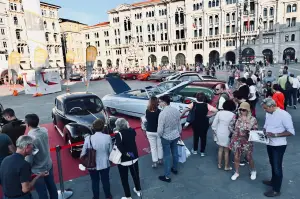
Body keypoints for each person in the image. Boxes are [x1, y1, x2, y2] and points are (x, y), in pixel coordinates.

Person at [261, 98, 295, 197]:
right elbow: (266, 124)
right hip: (269, 143)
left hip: (279, 145)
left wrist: (275, 135)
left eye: (266, 108)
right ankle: (273, 181)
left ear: (272, 106)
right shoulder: (268, 113)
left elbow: (291, 132)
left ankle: (276, 190)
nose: (265, 110)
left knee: (277, 166)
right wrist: (263, 130)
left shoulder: (284, 115)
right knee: (272, 163)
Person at [24, 114, 58, 199]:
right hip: (48, 164)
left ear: (28, 124)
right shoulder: (44, 130)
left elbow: (29, 158)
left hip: (37, 170)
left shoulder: (30, 138)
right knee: (52, 187)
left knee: (42, 192)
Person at [80, 119, 112, 199]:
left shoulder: (88, 138)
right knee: (105, 180)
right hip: (105, 163)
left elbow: (83, 153)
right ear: (103, 128)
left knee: (94, 181)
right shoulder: (107, 137)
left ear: (93, 128)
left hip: (92, 164)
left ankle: (96, 197)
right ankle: (108, 196)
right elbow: (110, 151)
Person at [228, 102, 258, 181]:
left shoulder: (252, 119)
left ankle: (253, 170)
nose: (242, 111)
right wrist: (234, 132)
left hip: (247, 140)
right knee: (236, 156)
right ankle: (237, 172)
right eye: (240, 109)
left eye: (244, 110)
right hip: (237, 140)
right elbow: (230, 125)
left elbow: (255, 130)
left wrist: (250, 132)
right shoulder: (237, 117)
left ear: (248, 110)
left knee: (249, 157)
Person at [157, 95, 182, 183]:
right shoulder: (176, 110)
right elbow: (179, 124)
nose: (159, 103)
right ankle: (175, 168)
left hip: (166, 137)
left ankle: (167, 176)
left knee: (167, 156)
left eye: (159, 101)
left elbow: (160, 129)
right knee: (175, 153)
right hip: (175, 135)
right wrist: (179, 133)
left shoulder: (162, 113)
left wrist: (159, 136)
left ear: (164, 102)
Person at [115, 118, 141, 199]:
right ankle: (138, 190)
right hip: (134, 157)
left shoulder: (118, 135)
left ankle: (128, 196)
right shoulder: (132, 131)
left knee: (124, 179)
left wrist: (126, 154)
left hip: (124, 160)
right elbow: (131, 130)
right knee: (135, 175)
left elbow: (120, 148)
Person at [211, 100, 236, 170]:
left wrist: (215, 132)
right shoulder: (233, 115)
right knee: (226, 150)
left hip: (219, 132)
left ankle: (219, 164)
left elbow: (214, 125)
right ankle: (226, 166)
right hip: (227, 133)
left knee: (220, 149)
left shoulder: (219, 113)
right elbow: (233, 126)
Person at [145, 96, 163, 168]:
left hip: (149, 131)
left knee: (153, 147)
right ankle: (160, 159)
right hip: (157, 131)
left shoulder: (147, 111)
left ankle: (155, 162)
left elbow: (147, 119)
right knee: (159, 146)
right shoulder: (159, 111)